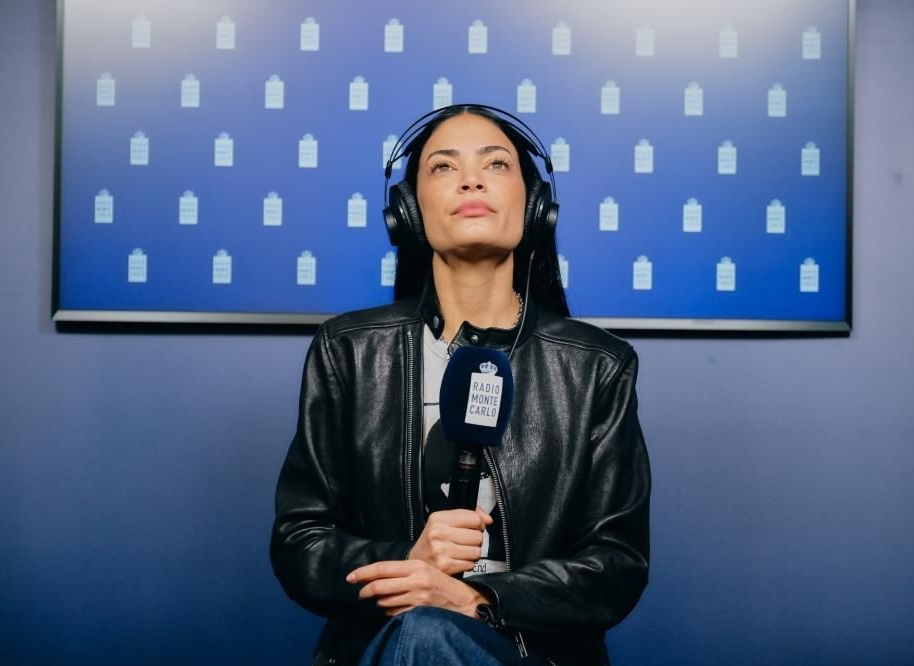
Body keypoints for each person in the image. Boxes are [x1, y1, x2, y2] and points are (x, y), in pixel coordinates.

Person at [271, 104, 650, 665]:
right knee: (423, 633)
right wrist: (409, 559)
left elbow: (616, 562)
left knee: (432, 633)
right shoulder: (349, 350)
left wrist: (478, 600)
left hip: (532, 654)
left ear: (535, 206)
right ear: (408, 212)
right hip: (389, 646)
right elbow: (300, 540)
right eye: (444, 167)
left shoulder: (597, 365)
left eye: (495, 164)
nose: (471, 180)